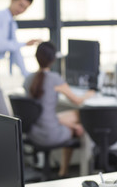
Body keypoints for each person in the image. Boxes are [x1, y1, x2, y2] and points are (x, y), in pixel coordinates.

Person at [23, 41, 95, 177]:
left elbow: (41, 112)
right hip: (49, 134)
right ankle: (84, 173)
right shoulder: (54, 79)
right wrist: (89, 94)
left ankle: (64, 171)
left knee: (70, 119)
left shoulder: (28, 79)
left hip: (33, 132)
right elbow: (77, 100)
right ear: (53, 59)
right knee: (80, 118)